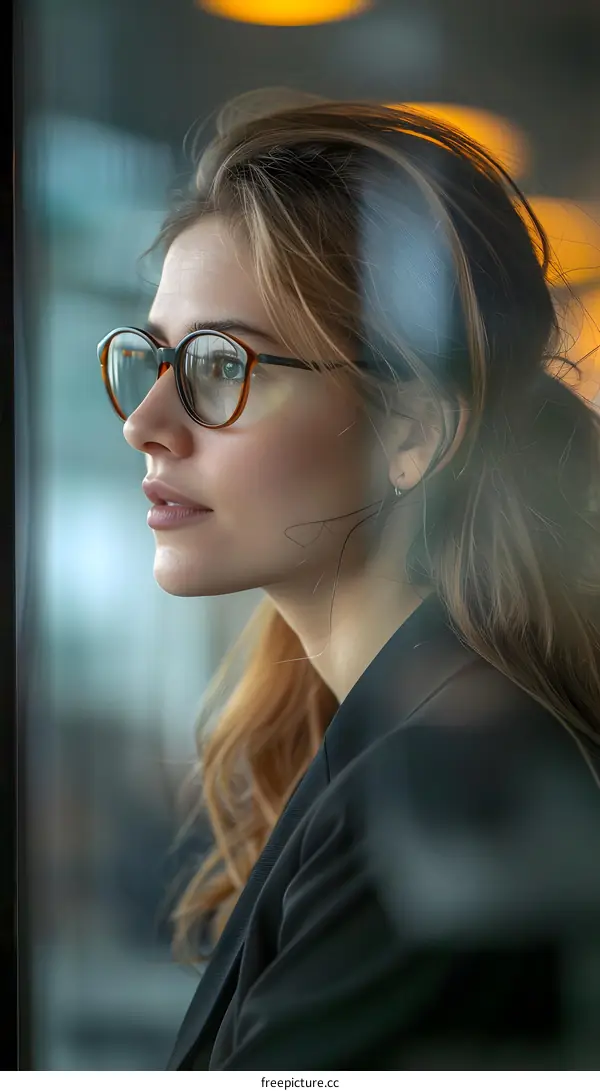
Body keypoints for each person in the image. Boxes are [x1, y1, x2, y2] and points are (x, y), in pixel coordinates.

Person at [96, 91, 600, 1070]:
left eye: (216, 364)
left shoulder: (440, 801)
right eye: (155, 358)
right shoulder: (387, 744)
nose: (145, 421)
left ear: (411, 431)